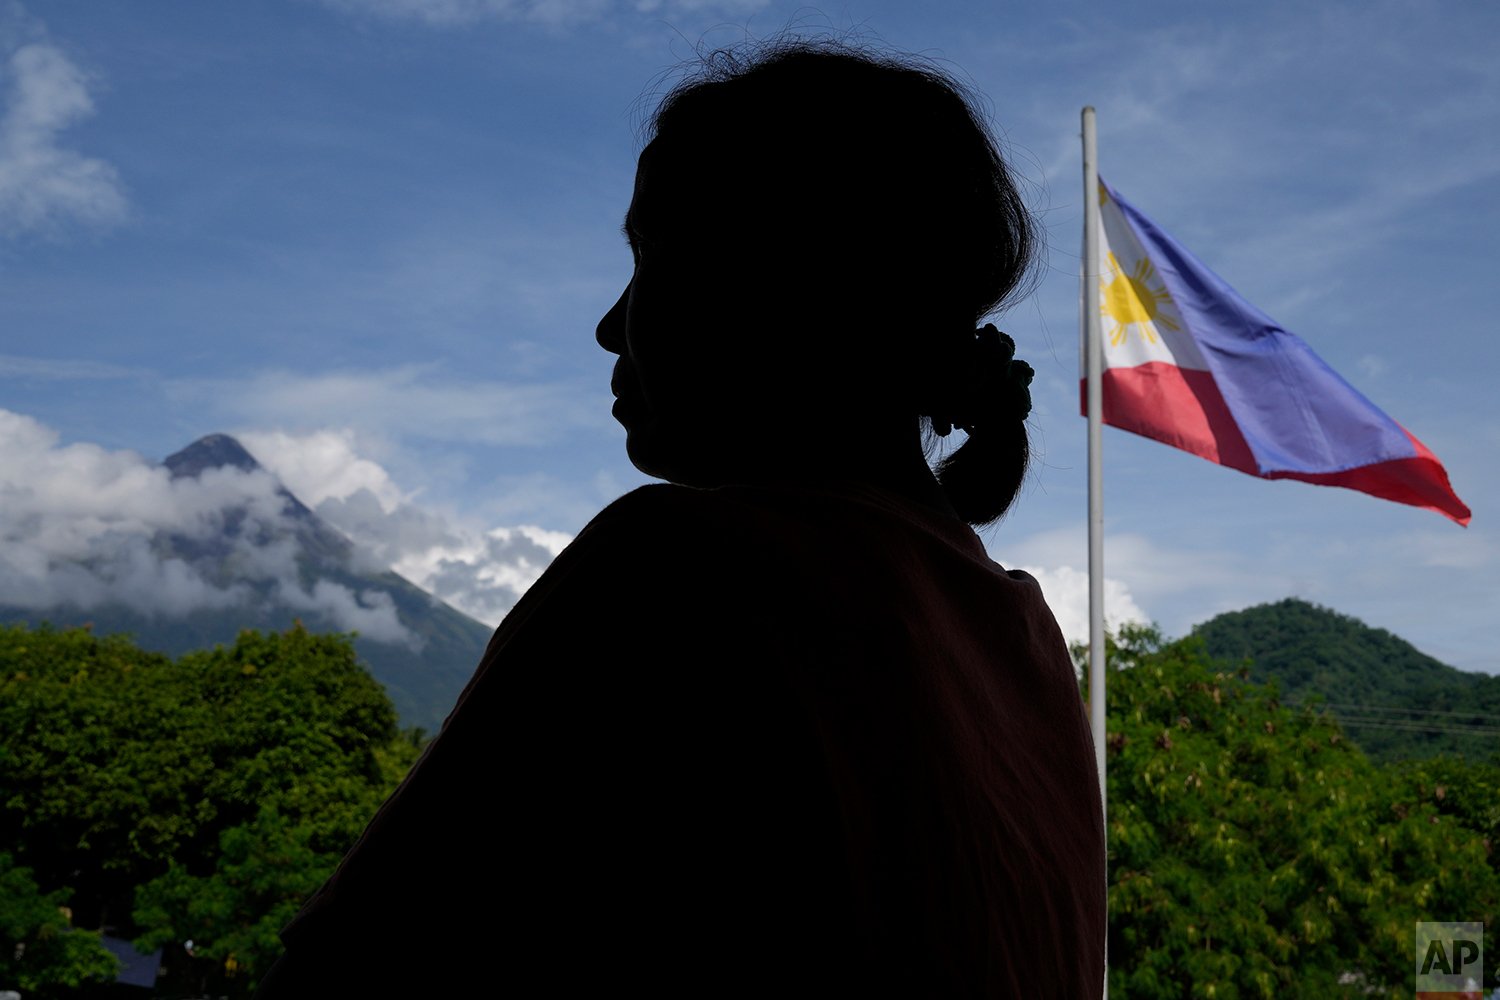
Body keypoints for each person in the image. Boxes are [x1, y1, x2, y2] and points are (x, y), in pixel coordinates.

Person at [255, 40, 1104, 998]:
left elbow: (355, 969)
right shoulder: (1027, 645)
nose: (612, 326)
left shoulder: (680, 571)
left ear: (785, 283)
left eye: (653, 259)